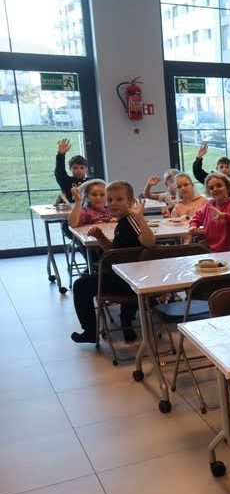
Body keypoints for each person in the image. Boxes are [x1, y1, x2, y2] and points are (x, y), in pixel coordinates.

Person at [70, 181, 156, 344]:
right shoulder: (122, 222)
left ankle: (91, 331)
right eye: (109, 200)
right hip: (125, 276)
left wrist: (140, 219)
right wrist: (101, 237)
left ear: (130, 203)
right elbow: (114, 252)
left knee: (80, 286)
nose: (113, 203)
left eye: (119, 199)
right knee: (89, 281)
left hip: (132, 280)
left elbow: (150, 242)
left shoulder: (131, 220)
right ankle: (126, 322)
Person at [186, 172, 230, 252]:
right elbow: (197, 216)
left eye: (219, 186)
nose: (215, 189)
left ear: (227, 187)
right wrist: (193, 225)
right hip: (210, 250)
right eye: (211, 188)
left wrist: (225, 216)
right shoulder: (209, 205)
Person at [54, 137, 94, 203]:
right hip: (69, 210)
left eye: (82, 168)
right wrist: (60, 155)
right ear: (70, 169)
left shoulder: (90, 182)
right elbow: (59, 172)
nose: (79, 170)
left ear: (86, 169)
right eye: (75, 168)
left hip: (85, 210)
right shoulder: (66, 181)